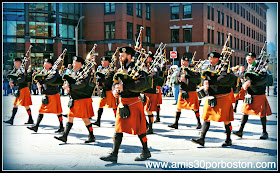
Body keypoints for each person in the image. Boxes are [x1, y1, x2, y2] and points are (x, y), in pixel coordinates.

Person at [100, 46, 151, 163]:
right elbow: (115, 82)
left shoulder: (137, 68)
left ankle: (146, 151)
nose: (120, 58)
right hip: (123, 102)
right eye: (120, 56)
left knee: (140, 129)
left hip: (134, 101)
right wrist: (114, 90)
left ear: (129, 56)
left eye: (122, 56)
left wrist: (125, 87)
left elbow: (141, 83)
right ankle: (114, 154)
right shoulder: (121, 69)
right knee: (118, 128)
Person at [190, 51, 234, 147]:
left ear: (217, 59)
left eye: (211, 58)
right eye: (209, 57)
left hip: (222, 96)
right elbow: (204, 76)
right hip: (211, 96)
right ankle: (202, 138)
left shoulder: (224, 67)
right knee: (206, 117)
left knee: (226, 119)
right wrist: (205, 81)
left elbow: (224, 78)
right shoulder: (209, 67)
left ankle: (228, 139)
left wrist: (210, 81)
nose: (209, 59)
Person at [54, 56, 96, 143]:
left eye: (74, 62)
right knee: (70, 117)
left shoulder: (85, 72)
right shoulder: (73, 72)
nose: (73, 64)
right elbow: (70, 81)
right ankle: (65, 136)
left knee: (85, 118)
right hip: (75, 97)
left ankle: (91, 135)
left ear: (79, 63)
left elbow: (82, 84)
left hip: (82, 97)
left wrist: (70, 87)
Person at [233, 52, 272, 139]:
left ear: (254, 59)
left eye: (250, 60)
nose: (248, 61)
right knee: (245, 112)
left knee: (262, 114)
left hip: (259, 93)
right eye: (247, 60)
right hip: (250, 93)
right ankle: (240, 131)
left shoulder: (261, 67)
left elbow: (263, 80)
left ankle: (264, 132)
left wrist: (251, 83)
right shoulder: (249, 67)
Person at [27, 58, 64, 133]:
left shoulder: (54, 71)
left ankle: (61, 126)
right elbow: (39, 78)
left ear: (50, 64)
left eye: (46, 62)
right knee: (41, 110)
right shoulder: (44, 71)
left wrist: (42, 81)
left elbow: (52, 79)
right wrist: (38, 83)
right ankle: (36, 126)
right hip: (47, 94)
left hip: (53, 93)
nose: (44, 64)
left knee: (58, 111)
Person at [168, 53, 202, 129]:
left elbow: (196, 79)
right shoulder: (180, 69)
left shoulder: (193, 68)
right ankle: (176, 123)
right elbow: (176, 78)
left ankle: (199, 123)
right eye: (181, 61)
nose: (182, 63)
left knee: (195, 108)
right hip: (182, 89)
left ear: (187, 62)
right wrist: (180, 79)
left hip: (191, 90)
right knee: (178, 107)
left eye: (183, 61)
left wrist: (188, 75)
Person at [3, 57, 34, 125]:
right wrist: (10, 81)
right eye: (14, 62)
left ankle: (30, 119)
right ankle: (12, 119)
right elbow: (11, 75)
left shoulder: (22, 69)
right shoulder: (15, 69)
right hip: (19, 89)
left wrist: (14, 82)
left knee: (26, 105)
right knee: (16, 104)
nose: (14, 63)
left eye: (15, 62)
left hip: (23, 88)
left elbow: (22, 79)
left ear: (19, 63)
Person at [93, 56, 118, 127]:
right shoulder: (101, 69)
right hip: (103, 90)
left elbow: (108, 80)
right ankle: (98, 121)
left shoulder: (111, 70)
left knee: (114, 106)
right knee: (100, 105)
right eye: (102, 61)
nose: (102, 62)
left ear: (108, 62)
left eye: (104, 61)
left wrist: (101, 78)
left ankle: (117, 121)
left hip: (110, 90)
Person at [142, 51, 160, 134]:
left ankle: (150, 127)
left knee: (148, 110)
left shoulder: (155, 66)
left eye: (147, 57)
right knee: (140, 110)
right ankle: (146, 124)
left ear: (151, 58)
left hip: (150, 89)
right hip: (142, 90)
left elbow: (155, 74)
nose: (146, 59)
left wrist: (146, 75)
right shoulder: (142, 65)